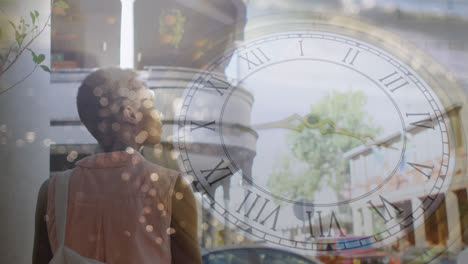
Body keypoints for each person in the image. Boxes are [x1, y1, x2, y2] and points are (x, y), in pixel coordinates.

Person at [32, 67, 201, 264]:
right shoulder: (170, 188)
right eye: (150, 103)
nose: (158, 113)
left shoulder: (54, 192)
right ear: (130, 113)